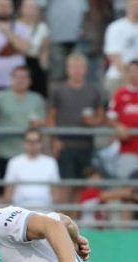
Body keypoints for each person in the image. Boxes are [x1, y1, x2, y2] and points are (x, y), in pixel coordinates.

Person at [47, 54, 103, 203]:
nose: (77, 70)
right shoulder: (58, 91)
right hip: (65, 144)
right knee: (65, 186)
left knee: (81, 186)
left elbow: (101, 116)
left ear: (86, 69)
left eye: (80, 67)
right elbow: (51, 117)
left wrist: (93, 121)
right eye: (73, 67)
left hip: (86, 145)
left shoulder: (93, 91)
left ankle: (74, 217)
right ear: (68, 69)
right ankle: (63, 216)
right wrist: (54, 140)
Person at [0, 65, 46, 179]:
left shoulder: (37, 99)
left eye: (24, 77)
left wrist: (38, 124)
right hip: (3, 151)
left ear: (30, 81)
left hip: (28, 153)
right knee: (2, 185)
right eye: (17, 77)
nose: (21, 80)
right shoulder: (0, 97)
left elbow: (44, 122)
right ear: (11, 79)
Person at [2, 128, 60, 208]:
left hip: (45, 209)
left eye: (36, 141)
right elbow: (8, 193)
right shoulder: (14, 162)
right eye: (29, 141)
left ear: (41, 143)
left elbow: (55, 192)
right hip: (20, 209)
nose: (32, 144)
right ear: (23, 143)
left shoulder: (51, 162)